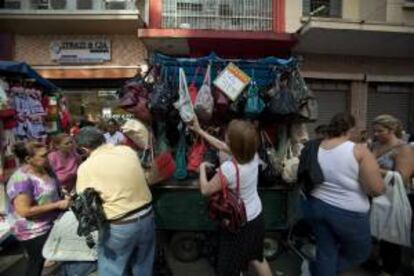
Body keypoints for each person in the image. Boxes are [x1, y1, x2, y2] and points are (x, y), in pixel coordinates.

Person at [302, 113, 384, 275]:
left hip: (316, 205)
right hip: (348, 213)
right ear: (351, 129)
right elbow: (376, 189)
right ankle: (318, 270)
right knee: (360, 252)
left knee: (326, 251)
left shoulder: (314, 146)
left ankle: (321, 270)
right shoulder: (359, 151)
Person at [188, 118, 272, 276]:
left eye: (227, 136)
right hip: (256, 217)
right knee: (257, 258)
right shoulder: (252, 155)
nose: (225, 137)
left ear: (234, 145)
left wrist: (201, 169)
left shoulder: (229, 169)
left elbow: (205, 190)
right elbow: (221, 146)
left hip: (239, 222)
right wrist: (199, 131)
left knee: (230, 265)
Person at [75, 127, 155, 276]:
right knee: (143, 265)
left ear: (84, 149)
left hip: (120, 226)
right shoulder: (127, 151)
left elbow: (84, 197)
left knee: (111, 269)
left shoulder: (86, 167)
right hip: (147, 217)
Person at [6, 141, 71, 276]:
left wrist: (62, 193)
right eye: (43, 155)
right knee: (36, 263)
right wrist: (57, 204)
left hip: (51, 223)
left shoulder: (46, 168)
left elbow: (53, 189)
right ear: (28, 159)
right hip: (32, 230)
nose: (48, 157)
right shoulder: (21, 179)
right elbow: (24, 211)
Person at [371, 114, 414, 275]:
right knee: (380, 235)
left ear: (391, 130)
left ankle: (389, 270)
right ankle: (381, 263)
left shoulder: (404, 149)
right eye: (374, 131)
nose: (375, 134)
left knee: (392, 238)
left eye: (379, 131)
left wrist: (372, 169)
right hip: (379, 196)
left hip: (396, 198)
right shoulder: (376, 146)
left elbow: (402, 178)